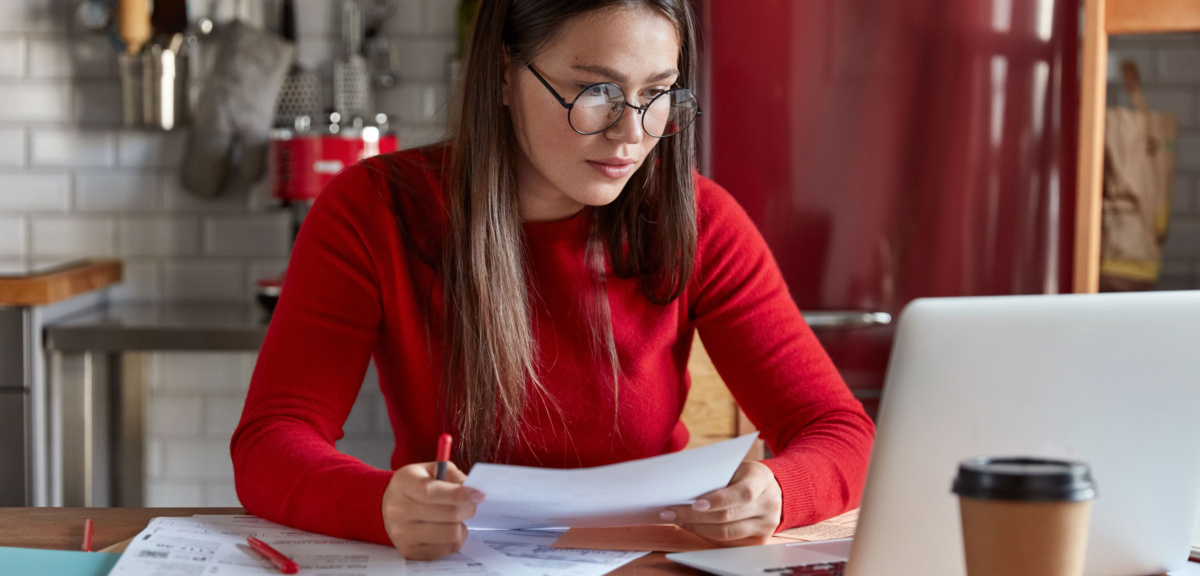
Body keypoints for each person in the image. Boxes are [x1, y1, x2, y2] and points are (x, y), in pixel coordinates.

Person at [231, 0, 874, 562]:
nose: (632, 133)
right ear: (505, 73)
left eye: (657, 95)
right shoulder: (373, 211)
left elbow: (840, 432)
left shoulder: (703, 222)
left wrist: (780, 492)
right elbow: (271, 439)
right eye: (596, 92)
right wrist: (380, 504)